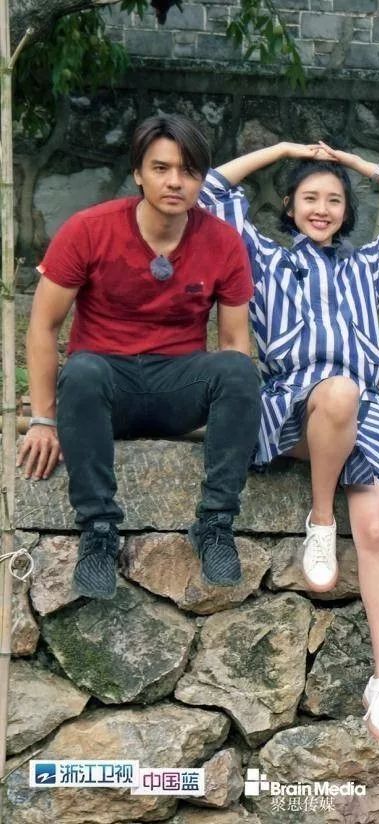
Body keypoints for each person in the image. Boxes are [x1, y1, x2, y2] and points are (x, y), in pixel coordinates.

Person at [198, 140, 379, 743]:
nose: (322, 208)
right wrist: (282, 149)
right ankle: (320, 520)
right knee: (335, 394)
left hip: (366, 409)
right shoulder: (263, 259)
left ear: (346, 211)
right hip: (290, 407)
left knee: (377, 527)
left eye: (334, 200)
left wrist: (358, 164)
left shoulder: (369, 266)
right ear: (289, 206)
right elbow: (210, 190)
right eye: (309, 197)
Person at [18, 114, 259, 601]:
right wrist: (43, 419)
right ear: (138, 174)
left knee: (237, 369)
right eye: (161, 168)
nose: (175, 182)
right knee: (82, 370)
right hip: (105, 386)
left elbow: (235, 341)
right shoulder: (89, 229)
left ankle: (215, 524)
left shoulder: (222, 241)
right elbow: (43, 327)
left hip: (178, 388)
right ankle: (98, 531)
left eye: (188, 171)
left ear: (201, 179)